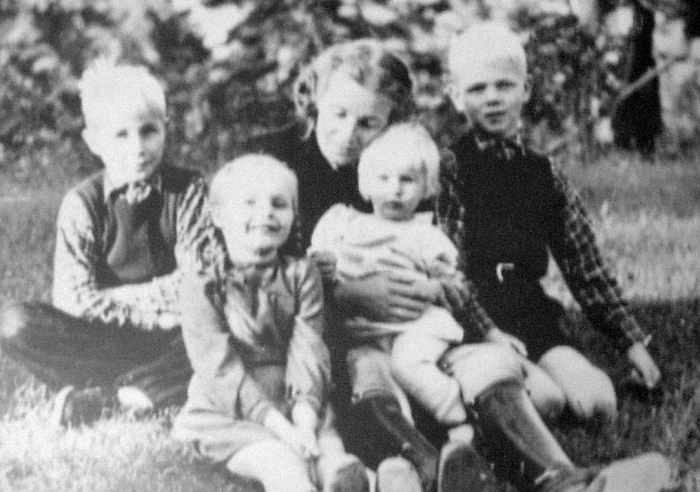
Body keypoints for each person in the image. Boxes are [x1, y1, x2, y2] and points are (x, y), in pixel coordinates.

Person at [242, 39, 669, 492]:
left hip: (416, 331)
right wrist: (344, 295)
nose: (349, 133)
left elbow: (447, 264)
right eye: (338, 114)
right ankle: (435, 470)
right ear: (315, 103)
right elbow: (252, 283)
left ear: (391, 124)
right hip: (327, 345)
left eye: (368, 123)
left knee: (487, 367)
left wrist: (456, 307)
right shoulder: (275, 165)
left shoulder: (393, 173)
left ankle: (564, 481)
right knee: (379, 379)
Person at [438, 21, 662, 425]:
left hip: (530, 315)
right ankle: (490, 392)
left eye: (504, 85)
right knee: (545, 401)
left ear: (525, 89)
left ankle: (548, 378)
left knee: (598, 404)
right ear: (456, 97)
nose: (492, 98)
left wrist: (632, 344)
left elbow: (586, 269)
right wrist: (488, 332)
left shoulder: (545, 173)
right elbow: (448, 272)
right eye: (477, 89)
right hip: (471, 322)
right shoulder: (449, 170)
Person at [0, 59, 223, 426]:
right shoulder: (82, 204)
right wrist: (155, 309)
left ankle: (107, 399)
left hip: (176, 336)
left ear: (165, 129)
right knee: (14, 323)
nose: (138, 147)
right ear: (94, 142)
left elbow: (201, 281)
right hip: (105, 339)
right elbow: (75, 301)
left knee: (229, 325)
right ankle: (141, 390)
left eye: (149, 131)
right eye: (121, 135)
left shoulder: (188, 190)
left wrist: (116, 296)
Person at [173, 155, 369, 492]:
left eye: (279, 204)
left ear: (293, 215)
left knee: (329, 453)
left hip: (296, 397)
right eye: (249, 203)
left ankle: (354, 477)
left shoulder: (301, 273)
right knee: (282, 461)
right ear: (218, 215)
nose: (266, 213)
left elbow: (308, 350)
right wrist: (282, 429)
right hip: (231, 408)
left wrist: (304, 420)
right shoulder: (202, 284)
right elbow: (219, 368)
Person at [309, 122, 523, 430]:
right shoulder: (342, 223)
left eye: (407, 180)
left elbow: (455, 286)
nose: (395, 189)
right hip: (366, 331)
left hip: (417, 326)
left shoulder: (425, 234)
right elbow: (312, 268)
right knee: (370, 374)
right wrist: (322, 267)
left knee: (407, 364)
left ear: (427, 188)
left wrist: (432, 287)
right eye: (383, 178)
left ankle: (454, 413)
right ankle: (406, 433)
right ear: (365, 183)